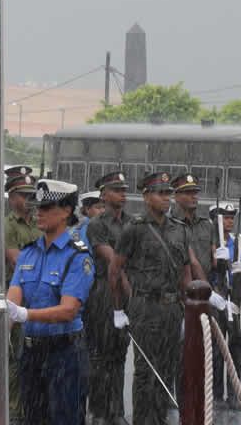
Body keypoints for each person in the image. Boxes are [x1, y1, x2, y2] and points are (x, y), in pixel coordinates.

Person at [6, 179, 93, 425]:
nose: (38, 213)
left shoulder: (77, 256)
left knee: (64, 419)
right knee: (32, 419)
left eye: (46, 208)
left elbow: (69, 310)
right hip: (32, 353)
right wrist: (5, 325)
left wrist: (26, 315)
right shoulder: (29, 252)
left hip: (64, 352)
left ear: (66, 211)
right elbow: (15, 293)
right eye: (37, 208)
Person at [112, 171, 193, 425]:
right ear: (146, 197)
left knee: (167, 371)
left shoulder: (180, 231)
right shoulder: (134, 229)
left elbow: (185, 273)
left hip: (171, 308)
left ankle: (158, 420)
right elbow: (115, 270)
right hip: (145, 306)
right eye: (160, 193)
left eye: (169, 193)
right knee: (146, 372)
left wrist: (190, 311)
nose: (166, 198)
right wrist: (118, 310)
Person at [84, 171, 135, 425]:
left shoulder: (132, 222)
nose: (122, 194)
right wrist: (127, 287)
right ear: (104, 194)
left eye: (124, 190)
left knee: (119, 352)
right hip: (105, 289)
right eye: (117, 190)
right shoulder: (97, 224)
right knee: (100, 354)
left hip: (126, 291)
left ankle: (117, 410)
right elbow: (110, 257)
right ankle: (99, 410)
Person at [2, 165, 40, 422]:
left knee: (36, 358)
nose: (28, 200)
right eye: (23, 194)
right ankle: (14, 412)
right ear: (11, 197)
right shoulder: (7, 226)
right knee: (16, 359)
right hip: (17, 298)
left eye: (31, 194)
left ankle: (32, 410)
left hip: (40, 300)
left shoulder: (40, 222)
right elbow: (18, 263)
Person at [209, 200, 241, 407]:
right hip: (216, 298)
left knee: (236, 347)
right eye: (225, 218)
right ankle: (217, 393)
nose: (229, 221)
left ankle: (235, 393)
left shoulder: (237, 243)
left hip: (234, 298)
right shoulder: (209, 242)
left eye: (231, 218)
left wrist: (239, 269)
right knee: (217, 348)